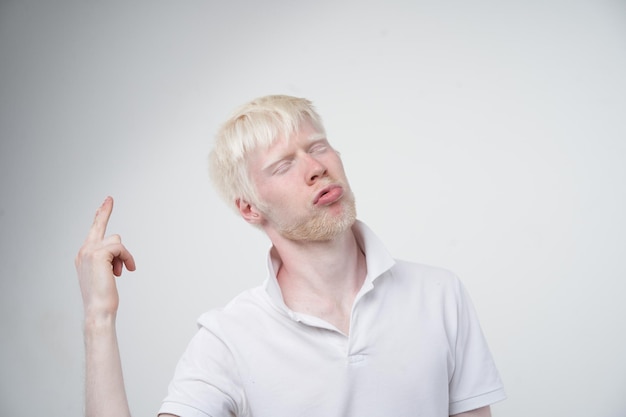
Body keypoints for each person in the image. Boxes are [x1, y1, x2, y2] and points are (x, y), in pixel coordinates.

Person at [76, 95, 506, 417]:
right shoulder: (229, 337)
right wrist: (99, 318)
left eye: (317, 147)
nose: (315, 167)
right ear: (249, 208)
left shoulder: (438, 293)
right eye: (282, 165)